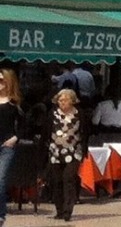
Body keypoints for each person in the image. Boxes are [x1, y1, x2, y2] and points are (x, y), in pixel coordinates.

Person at [44, 89, 85, 221]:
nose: (62, 103)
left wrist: (84, 149)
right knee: (57, 181)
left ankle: (68, 211)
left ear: (72, 101)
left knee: (69, 178)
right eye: (60, 100)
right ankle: (59, 210)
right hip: (56, 151)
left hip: (74, 152)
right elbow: (46, 131)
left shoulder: (80, 114)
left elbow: (86, 132)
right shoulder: (52, 114)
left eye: (65, 100)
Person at [0, 71, 19, 222]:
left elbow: (26, 126)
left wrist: (15, 138)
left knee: (0, 179)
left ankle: (0, 214)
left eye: (1, 80)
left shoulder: (14, 104)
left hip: (6, 146)